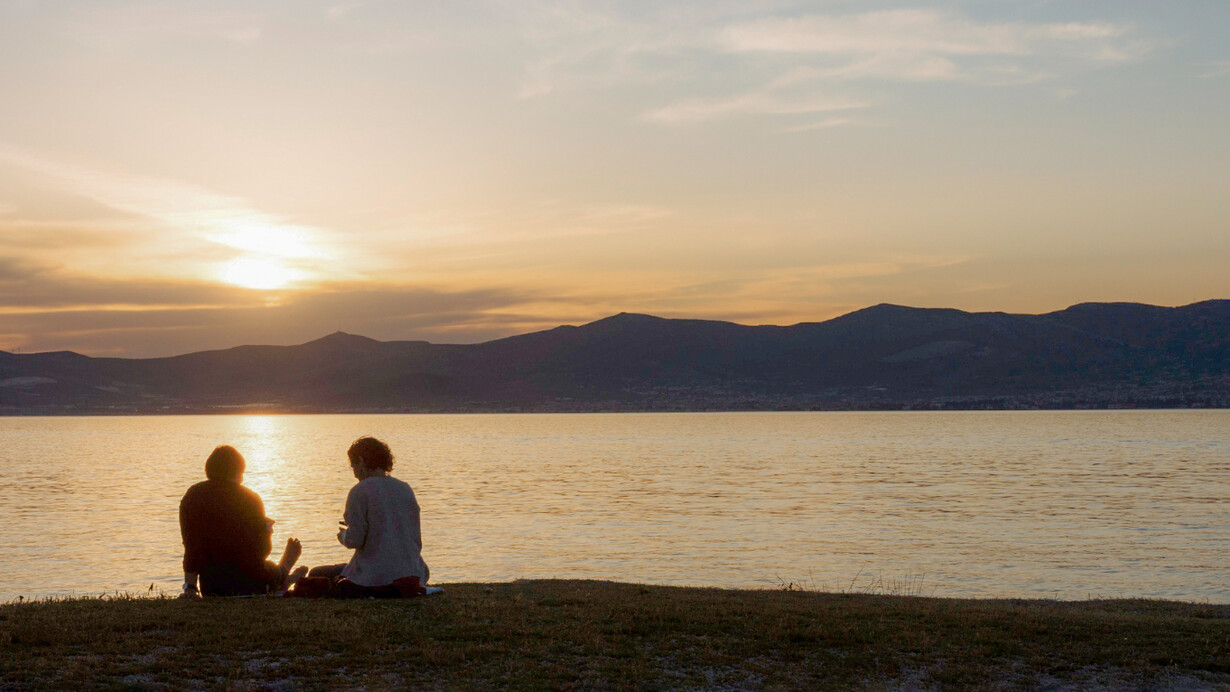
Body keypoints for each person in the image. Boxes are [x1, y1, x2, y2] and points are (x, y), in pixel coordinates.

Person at [304, 436, 429, 597]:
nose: (354, 474)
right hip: (413, 572)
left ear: (361, 461)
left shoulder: (359, 491)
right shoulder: (405, 489)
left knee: (316, 572)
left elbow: (355, 540)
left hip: (376, 577)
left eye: (353, 466)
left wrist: (343, 535)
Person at [179, 445, 302, 597]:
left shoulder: (192, 496)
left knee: (266, 568)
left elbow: (191, 546)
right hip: (254, 583)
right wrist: (266, 532)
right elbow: (262, 551)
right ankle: (284, 571)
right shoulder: (251, 499)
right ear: (238, 472)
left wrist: (190, 587)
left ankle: (282, 578)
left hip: (212, 587)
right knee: (270, 568)